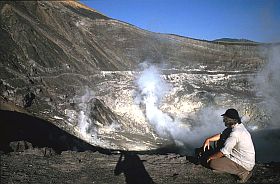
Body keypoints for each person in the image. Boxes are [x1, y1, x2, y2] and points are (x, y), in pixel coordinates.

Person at [202, 108, 255, 183]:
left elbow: (224, 152)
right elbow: (221, 135)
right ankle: (225, 167)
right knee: (220, 142)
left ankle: (243, 173)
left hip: (243, 163)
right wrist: (208, 139)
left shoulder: (235, 133)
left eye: (225, 118)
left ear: (229, 120)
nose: (223, 120)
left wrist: (211, 157)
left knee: (213, 163)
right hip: (243, 159)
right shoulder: (238, 126)